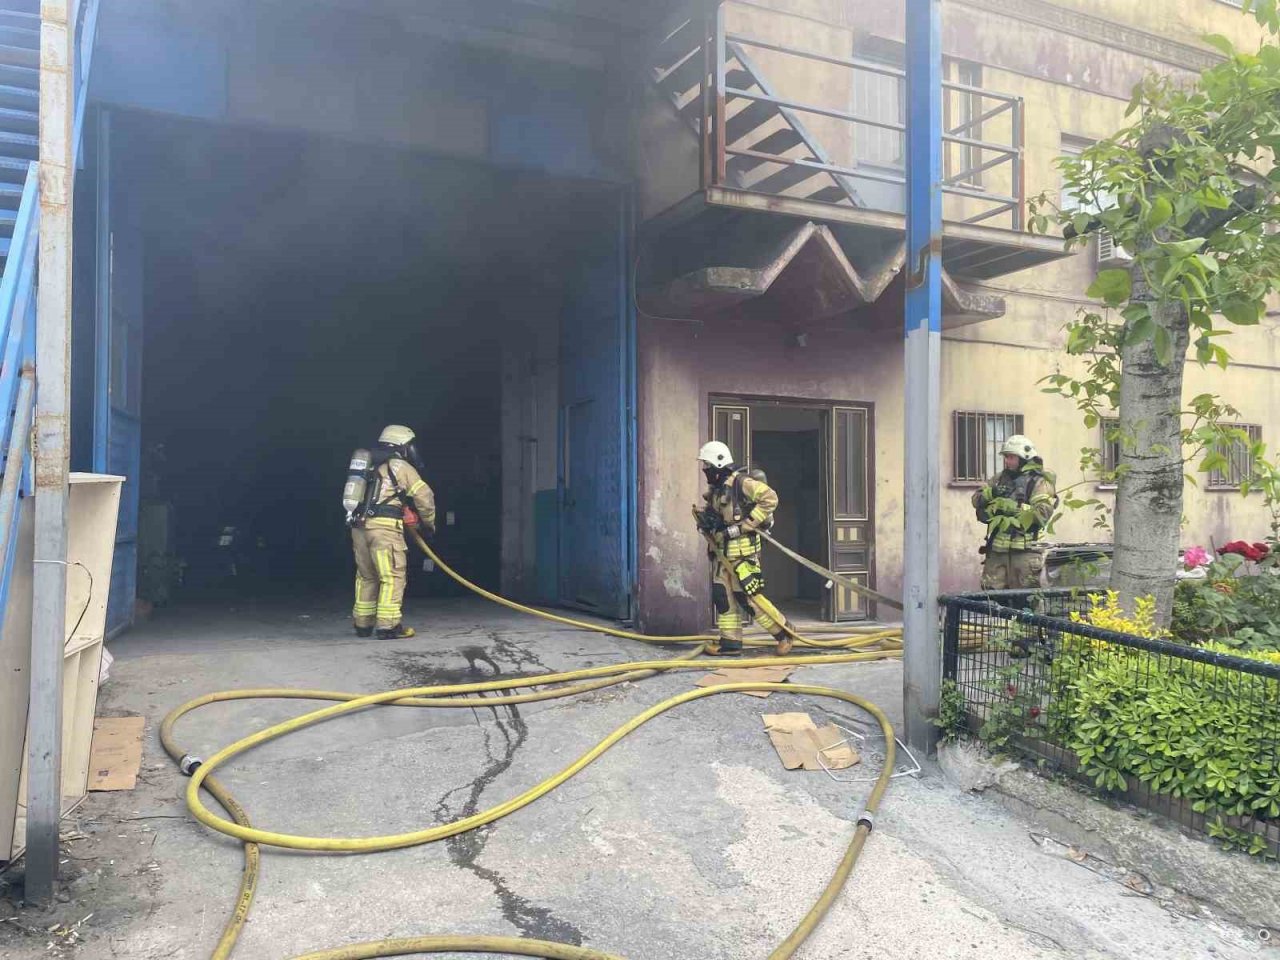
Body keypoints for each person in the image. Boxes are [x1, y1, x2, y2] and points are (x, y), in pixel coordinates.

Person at [693, 440, 797, 657]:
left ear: (719, 465)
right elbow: (719, 518)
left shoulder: (742, 483)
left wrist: (746, 524)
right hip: (722, 554)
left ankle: (784, 633)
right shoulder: (716, 490)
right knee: (722, 597)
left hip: (743, 555)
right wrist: (706, 522)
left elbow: (770, 499)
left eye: (707, 466)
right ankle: (730, 643)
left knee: (748, 598)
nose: (705, 470)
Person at [351, 425, 437, 639]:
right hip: (384, 531)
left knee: (366, 576)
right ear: (402, 445)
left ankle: (363, 625)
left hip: (359, 528)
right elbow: (424, 496)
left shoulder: (369, 464)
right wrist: (428, 525)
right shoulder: (400, 467)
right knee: (392, 576)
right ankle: (388, 626)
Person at [971, 434, 1057, 591]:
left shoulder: (1039, 482)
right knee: (991, 601)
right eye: (1006, 457)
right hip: (997, 552)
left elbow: (1042, 513)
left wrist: (1012, 508)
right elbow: (976, 500)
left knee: (1025, 601)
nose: (1007, 461)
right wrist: (992, 494)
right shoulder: (998, 479)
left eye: (1011, 457)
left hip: (1026, 552)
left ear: (1024, 458)